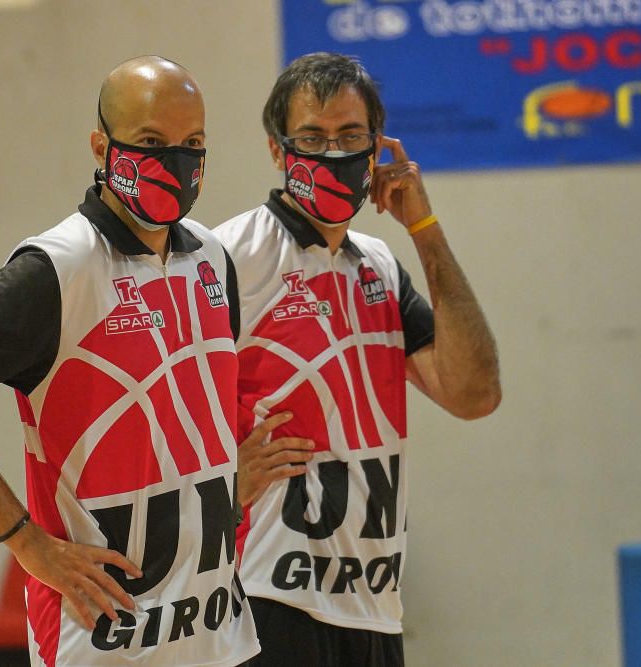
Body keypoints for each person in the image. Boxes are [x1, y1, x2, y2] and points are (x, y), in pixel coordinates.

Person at [0, 55, 259, 667]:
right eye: (151, 141)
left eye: (193, 143)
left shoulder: (212, 258)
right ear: (101, 146)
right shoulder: (58, 267)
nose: (177, 160)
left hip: (217, 635)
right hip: (107, 642)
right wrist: (26, 543)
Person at [213, 53, 501, 666]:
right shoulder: (228, 256)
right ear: (277, 150)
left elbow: (474, 394)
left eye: (349, 136)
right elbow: (161, 399)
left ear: (377, 148)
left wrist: (422, 227)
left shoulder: (379, 264)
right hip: (264, 597)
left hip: (373, 603)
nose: (331, 153)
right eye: (312, 138)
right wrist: (218, 484)